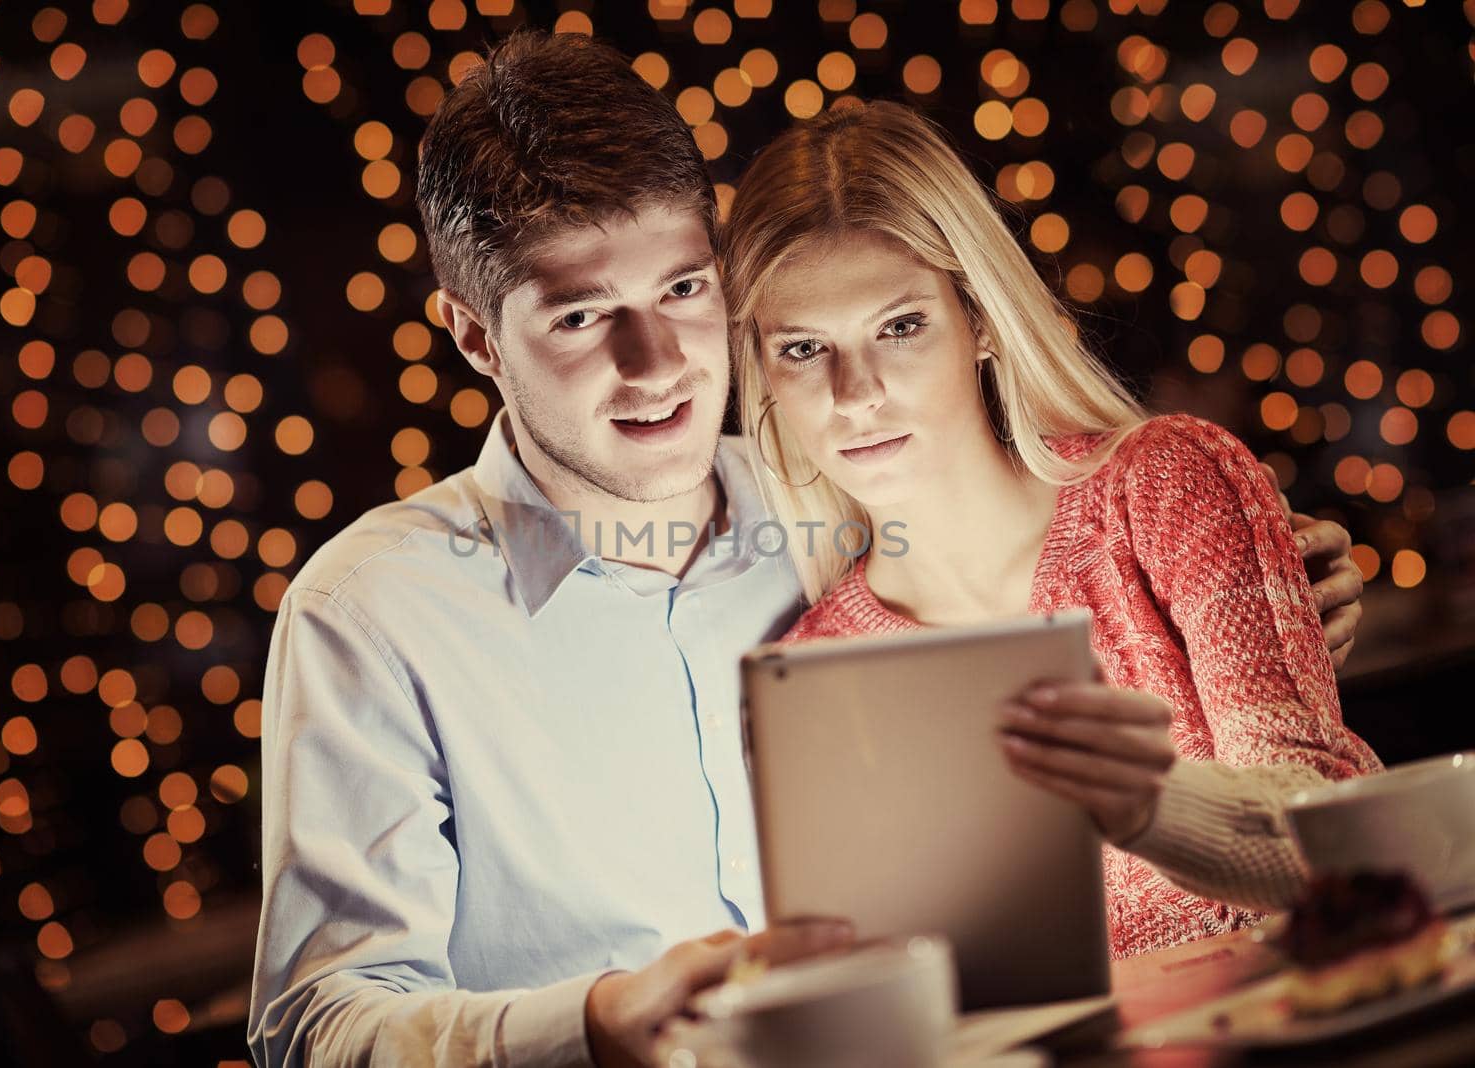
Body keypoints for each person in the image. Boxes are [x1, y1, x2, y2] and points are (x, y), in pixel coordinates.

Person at [249, 33, 1365, 1068]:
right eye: (581, 318)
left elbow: (1118, 601)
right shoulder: (373, 610)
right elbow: (313, 1024)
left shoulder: (829, 511)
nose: (655, 365)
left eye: (682, 291)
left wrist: (1251, 577)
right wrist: (593, 1021)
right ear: (474, 335)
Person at [720, 100, 1384, 960]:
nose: (856, 393)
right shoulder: (817, 675)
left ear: (982, 322)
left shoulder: (1162, 489)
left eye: (901, 326)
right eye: (804, 349)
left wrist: (1149, 805)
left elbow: (1331, 831)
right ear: (764, 372)